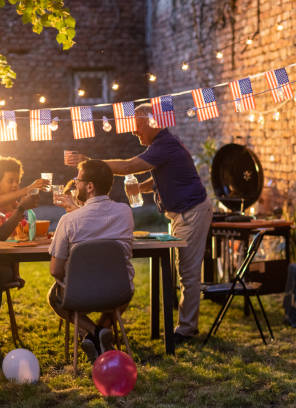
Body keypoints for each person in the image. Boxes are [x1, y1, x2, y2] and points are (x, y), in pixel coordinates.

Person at [74, 103, 213, 344]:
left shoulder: (164, 145)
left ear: (153, 122)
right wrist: (141, 187)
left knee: (188, 274)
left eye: (138, 126)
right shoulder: (163, 146)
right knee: (182, 272)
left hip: (191, 212)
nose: (134, 132)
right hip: (182, 212)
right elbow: (161, 175)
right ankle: (184, 325)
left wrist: (92, 163)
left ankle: (186, 330)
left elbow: (129, 166)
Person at [48, 160, 135, 363]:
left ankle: (93, 333)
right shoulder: (125, 212)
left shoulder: (69, 221)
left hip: (79, 295)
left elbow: (55, 270)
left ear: (89, 186)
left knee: (55, 297)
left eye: (78, 179)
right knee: (124, 292)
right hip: (118, 291)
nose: (75, 183)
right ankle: (103, 334)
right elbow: (96, 218)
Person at [0, 157, 46, 294]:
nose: (15, 185)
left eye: (17, 181)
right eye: (10, 181)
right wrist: (28, 189)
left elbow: (16, 241)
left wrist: (16, 273)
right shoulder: (16, 206)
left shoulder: (15, 206)